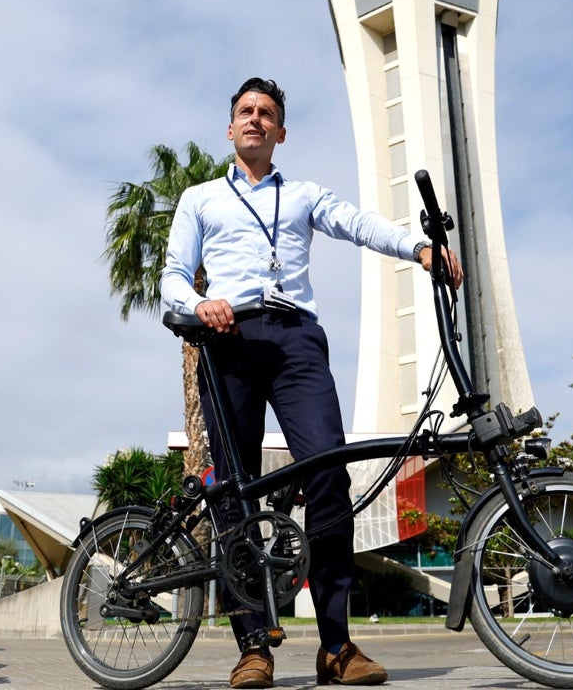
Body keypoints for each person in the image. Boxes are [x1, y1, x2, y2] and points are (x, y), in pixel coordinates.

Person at [161, 77, 462, 689]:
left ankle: (337, 646)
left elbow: (354, 222)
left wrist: (417, 248)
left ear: (280, 131)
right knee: (236, 494)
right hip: (229, 338)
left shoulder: (300, 194)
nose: (255, 120)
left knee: (328, 472)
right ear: (230, 127)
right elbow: (170, 274)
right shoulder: (200, 199)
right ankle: (253, 650)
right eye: (245, 111)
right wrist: (199, 303)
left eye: (266, 113)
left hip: (297, 340)